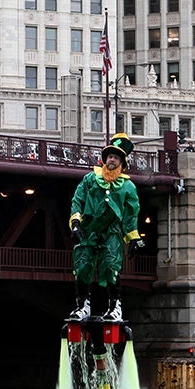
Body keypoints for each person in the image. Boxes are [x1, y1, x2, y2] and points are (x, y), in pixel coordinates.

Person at [66, 133, 143, 322]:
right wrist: (75, 223)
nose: (112, 160)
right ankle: (83, 305)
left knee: (111, 265)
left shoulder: (128, 187)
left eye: (116, 157)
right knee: (82, 265)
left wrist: (133, 238)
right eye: (109, 156)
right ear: (104, 159)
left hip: (112, 232)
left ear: (122, 163)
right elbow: (78, 200)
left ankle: (114, 307)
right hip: (88, 230)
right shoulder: (90, 179)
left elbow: (131, 214)